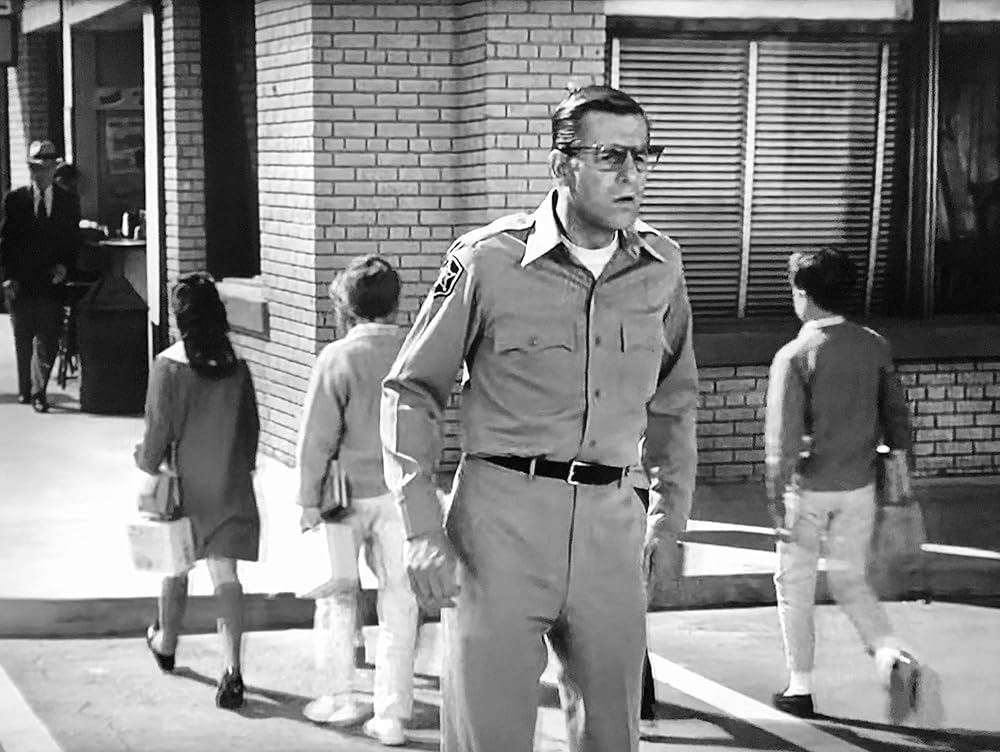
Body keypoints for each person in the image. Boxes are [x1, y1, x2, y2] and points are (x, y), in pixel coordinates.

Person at [381, 85, 698, 752]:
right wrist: (421, 529)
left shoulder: (662, 266)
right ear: (561, 164)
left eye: (644, 156)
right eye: (610, 156)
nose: (632, 174)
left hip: (613, 527)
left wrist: (669, 522)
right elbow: (411, 391)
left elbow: (674, 403)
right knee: (488, 736)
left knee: (613, 735)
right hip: (500, 528)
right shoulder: (486, 260)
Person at [765, 247, 922, 722]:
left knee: (794, 584)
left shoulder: (794, 355)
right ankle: (888, 654)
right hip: (859, 486)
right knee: (851, 579)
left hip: (808, 489)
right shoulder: (873, 345)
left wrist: (776, 497)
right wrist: (900, 472)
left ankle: (800, 686)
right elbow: (897, 417)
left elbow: (782, 440)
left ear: (803, 294)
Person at [296, 255, 418, 747]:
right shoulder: (414, 350)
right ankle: (392, 715)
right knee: (400, 603)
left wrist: (308, 499)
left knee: (337, 598)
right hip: (401, 492)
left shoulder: (336, 358)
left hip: (343, 496)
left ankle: (339, 697)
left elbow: (317, 437)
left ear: (347, 304)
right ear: (396, 302)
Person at [134, 273, 260, 710]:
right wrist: (242, 467)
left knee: (176, 566)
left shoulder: (168, 365)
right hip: (229, 482)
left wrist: (145, 462)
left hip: (184, 485)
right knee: (226, 576)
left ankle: (166, 642)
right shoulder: (237, 364)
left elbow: (157, 432)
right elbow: (250, 429)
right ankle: (233, 670)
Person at [0, 140, 80, 411]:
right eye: (36, 168)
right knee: (24, 338)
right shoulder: (16, 200)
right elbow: (6, 242)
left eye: (46, 167)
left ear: (54, 169)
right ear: (30, 169)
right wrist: (7, 277)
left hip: (51, 282)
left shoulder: (68, 201)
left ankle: (39, 390)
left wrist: (65, 266)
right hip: (20, 282)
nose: (41, 173)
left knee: (47, 338)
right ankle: (27, 388)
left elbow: (72, 240)